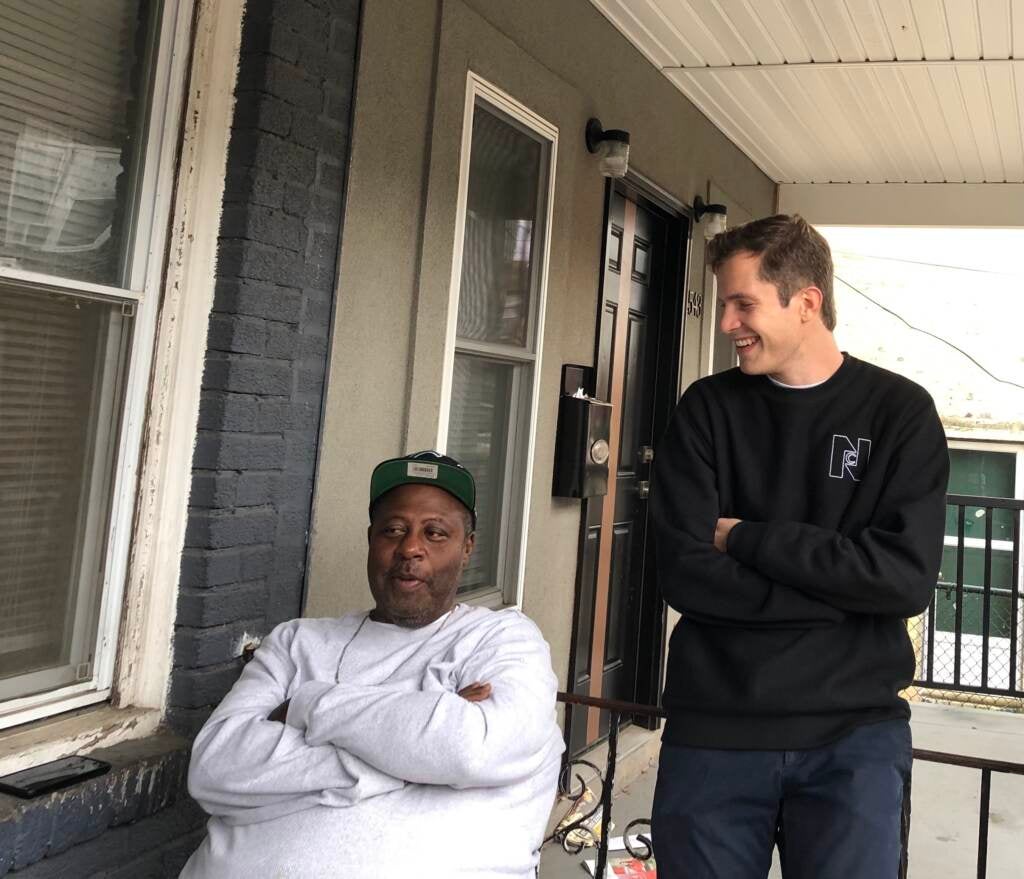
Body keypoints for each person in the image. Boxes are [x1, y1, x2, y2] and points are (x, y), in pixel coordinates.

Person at [649, 215, 948, 878]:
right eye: (725, 303)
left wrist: (748, 538)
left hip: (853, 740)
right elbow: (685, 574)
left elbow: (903, 581)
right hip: (714, 735)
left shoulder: (899, 414)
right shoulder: (705, 411)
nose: (726, 322)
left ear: (806, 302)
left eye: (742, 303)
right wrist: (844, 591)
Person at [181, 451, 565, 878]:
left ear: (467, 548)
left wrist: (308, 705)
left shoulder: (501, 640)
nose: (410, 548)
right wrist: (413, 754)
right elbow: (214, 769)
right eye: (393, 530)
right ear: (371, 539)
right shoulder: (297, 641)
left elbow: (469, 749)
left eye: (435, 533)